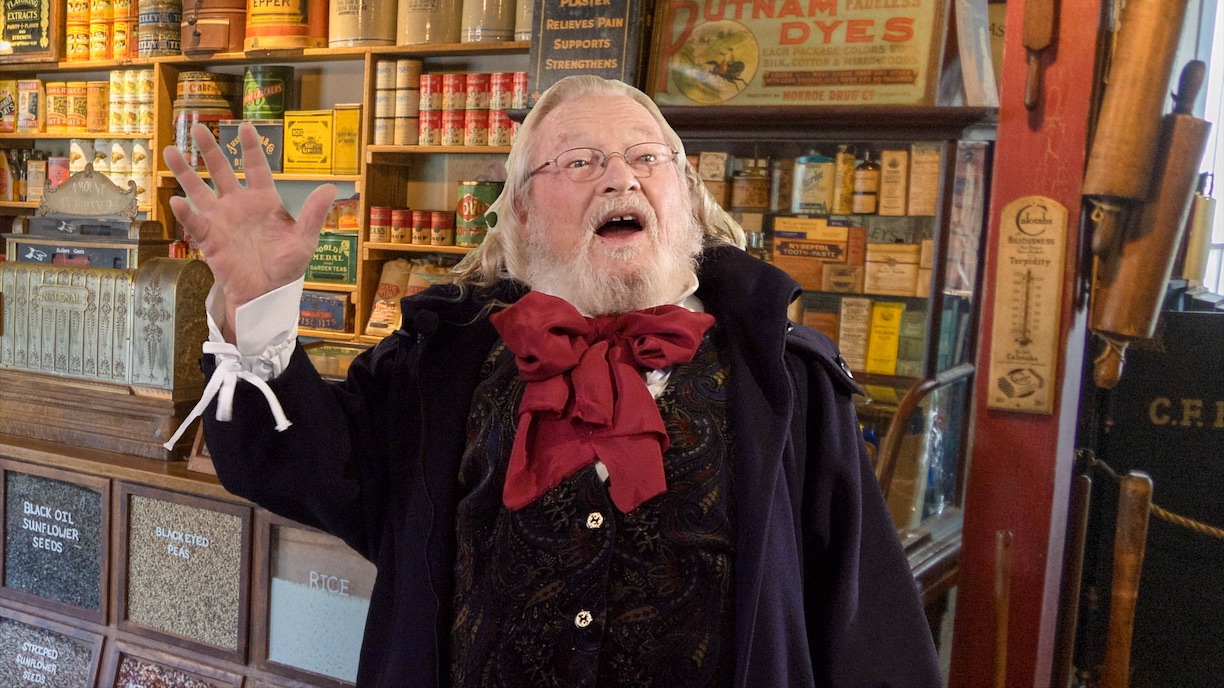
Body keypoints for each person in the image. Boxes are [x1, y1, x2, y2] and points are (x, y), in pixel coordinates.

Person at [163, 75, 942, 687]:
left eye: (647, 158)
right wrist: (257, 310)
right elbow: (296, 467)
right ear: (523, 217)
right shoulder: (437, 367)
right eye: (579, 162)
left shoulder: (790, 385)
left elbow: (869, 627)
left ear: (687, 199)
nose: (620, 178)